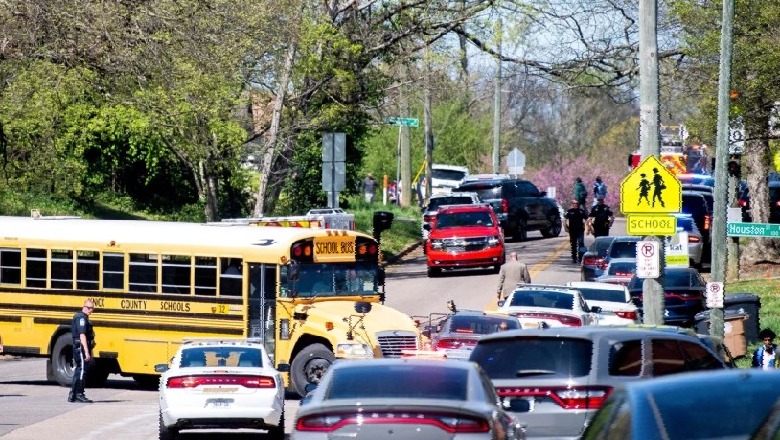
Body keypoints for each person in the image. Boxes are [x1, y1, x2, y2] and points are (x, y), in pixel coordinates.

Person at [68, 299, 96, 403]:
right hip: (80, 347)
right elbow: (82, 335)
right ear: (84, 307)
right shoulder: (81, 318)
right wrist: (87, 351)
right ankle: (79, 394)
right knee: (82, 371)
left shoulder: (82, 317)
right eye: (89, 308)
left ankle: (73, 394)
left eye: (92, 308)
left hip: (79, 347)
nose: (91, 310)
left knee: (79, 370)